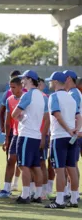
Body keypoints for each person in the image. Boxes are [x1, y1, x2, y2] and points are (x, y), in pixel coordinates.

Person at [45, 71, 81, 208]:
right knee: (72, 168)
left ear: (55, 82)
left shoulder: (53, 96)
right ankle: (73, 199)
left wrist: (67, 129)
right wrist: (75, 130)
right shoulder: (71, 97)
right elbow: (79, 116)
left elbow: (58, 116)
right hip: (71, 137)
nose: (49, 83)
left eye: (51, 81)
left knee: (59, 170)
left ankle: (59, 200)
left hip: (59, 137)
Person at [12, 70, 48, 204]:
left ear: (29, 79)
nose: (22, 81)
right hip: (36, 135)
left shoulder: (27, 95)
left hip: (26, 134)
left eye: (23, 79)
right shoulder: (41, 95)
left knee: (23, 165)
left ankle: (25, 195)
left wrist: (21, 118)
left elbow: (14, 114)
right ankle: (38, 194)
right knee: (35, 166)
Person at [0, 77, 23, 198]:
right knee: (11, 160)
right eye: (10, 87)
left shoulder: (27, 98)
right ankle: (6, 188)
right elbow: (8, 121)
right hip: (15, 134)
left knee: (27, 164)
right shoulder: (9, 100)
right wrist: (7, 138)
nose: (11, 90)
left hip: (28, 134)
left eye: (14, 87)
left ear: (20, 86)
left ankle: (33, 190)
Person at [63, 70, 82, 198]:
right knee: (71, 164)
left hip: (75, 133)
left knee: (71, 164)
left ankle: (71, 192)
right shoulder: (74, 93)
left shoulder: (73, 94)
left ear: (69, 78)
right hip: (77, 132)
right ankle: (72, 192)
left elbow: (73, 115)